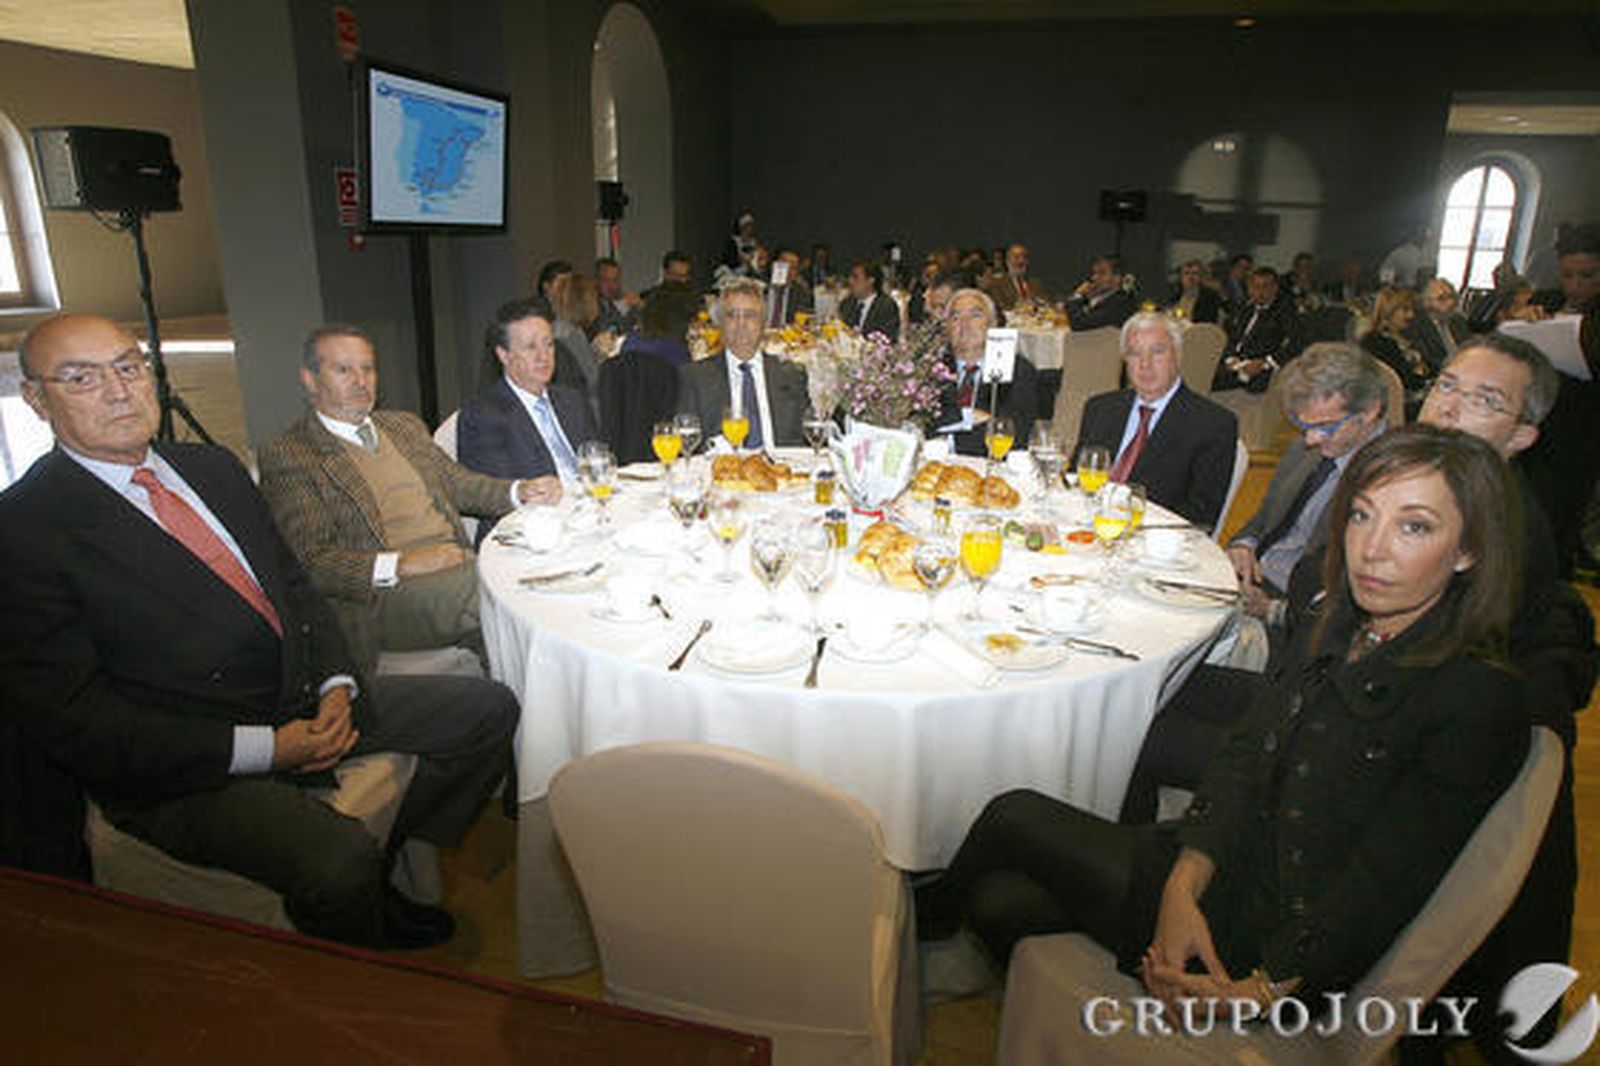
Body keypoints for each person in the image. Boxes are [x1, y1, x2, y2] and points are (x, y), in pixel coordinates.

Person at [918, 425, 1530, 1015]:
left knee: (1013, 814)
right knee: (998, 904)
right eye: (1363, 515)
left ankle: (912, 930)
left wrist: (1260, 991)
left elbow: (1385, 885)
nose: (1372, 549)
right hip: (1226, 862)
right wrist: (1183, 887)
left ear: (1470, 550)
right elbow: (1246, 759)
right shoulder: (1342, 626)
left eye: (1414, 527)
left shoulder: (1475, 697)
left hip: (1270, 936)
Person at [0, 313, 519, 948]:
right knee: (337, 860)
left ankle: (394, 844)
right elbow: (81, 723)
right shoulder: (24, 532)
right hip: (191, 760)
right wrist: (267, 750)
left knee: (488, 711)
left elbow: (295, 589)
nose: (119, 391)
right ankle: (363, 930)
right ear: (35, 399)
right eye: (81, 378)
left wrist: (334, 683)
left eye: (129, 366)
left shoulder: (211, 468)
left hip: (300, 694)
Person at [258, 325, 557, 674]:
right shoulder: (291, 454)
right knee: (504, 587)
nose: (360, 381)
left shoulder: (402, 426)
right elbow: (312, 560)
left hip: (455, 566)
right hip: (384, 597)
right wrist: (401, 563)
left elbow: (458, 483)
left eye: (368, 369)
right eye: (343, 370)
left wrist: (518, 491)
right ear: (310, 379)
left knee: (541, 568)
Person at [1226, 343, 1389, 626]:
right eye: (1303, 426)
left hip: (1301, 619)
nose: (1311, 439)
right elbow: (1264, 519)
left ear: (1370, 411)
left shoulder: (1391, 482)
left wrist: (1273, 611)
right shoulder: (1308, 447)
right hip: (1253, 581)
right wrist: (1244, 544)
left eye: (1326, 426)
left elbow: (1355, 609)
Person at [1071, 312, 1238, 531]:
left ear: (1178, 355)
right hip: (1084, 532)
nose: (1145, 364)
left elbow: (1201, 514)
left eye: (1157, 352)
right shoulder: (1100, 409)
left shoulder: (1213, 424)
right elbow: (1078, 478)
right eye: (1134, 353)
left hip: (1152, 545)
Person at [458, 299, 597, 489]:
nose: (543, 356)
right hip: (539, 513)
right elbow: (496, 495)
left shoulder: (571, 401)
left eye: (548, 344)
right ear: (504, 355)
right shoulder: (484, 416)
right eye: (531, 347)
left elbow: (597, 461)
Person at [676, 278, 809, 450]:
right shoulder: (695, 378)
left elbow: (805, 443)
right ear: (720, 324)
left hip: (779, 472)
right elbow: (687, 445)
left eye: (750, 315)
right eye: (732, 315)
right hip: (722, 472)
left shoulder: (790, 375)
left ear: (763, 323)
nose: (741, 324)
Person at [932, 288, 1038, 457]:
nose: (965, 324)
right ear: (946, 330)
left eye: (975, 315)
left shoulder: (1017, 370)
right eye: (956, 317)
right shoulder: (931, 369)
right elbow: (919, 426)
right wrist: (971, 417)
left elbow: (1016, 436)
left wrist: (951, 429)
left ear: (993, 324)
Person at [1212, 267, 1301, 394]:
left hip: (1259, 365)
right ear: (1249, 288)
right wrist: (1230, 358)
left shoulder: (1285, 311)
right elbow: (1229, 336)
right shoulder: (1244, 308)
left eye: (1265, 287)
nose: (1260, 292)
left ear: (1275, 288)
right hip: (1236, 362)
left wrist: (1265, 362)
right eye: (1255, 286)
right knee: (1201, 373)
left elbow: (1295, 344)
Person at [1361, 286, 1433, 420]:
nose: (1411, 315)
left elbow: (1431, 367)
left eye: (1412, 310)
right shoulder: (1376, 342)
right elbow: (1407, 381)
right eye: (1405, 310)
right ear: (1388, 312)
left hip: (1417, 401)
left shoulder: (1407, 337)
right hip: (1397, 407)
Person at [1406, 277, 1471, 372]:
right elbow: (1429, 360)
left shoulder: (1459, 321)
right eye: (1441, 298)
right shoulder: (1418, 327)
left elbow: (1470, 347)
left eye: (1451, 296)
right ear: (1426, 302)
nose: (1450, 303)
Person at [1065, 254, 1137, 332]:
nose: (1094, 278)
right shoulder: (1103, 297)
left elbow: (1079, 324)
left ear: (1117, 278)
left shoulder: (1122, 302)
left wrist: (1077, 296)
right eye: (1094, 273)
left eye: (1102, 273)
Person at [838, 260, 902, 341]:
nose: (850, 281)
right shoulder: (847, 304)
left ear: (870, 280)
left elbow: (887, 339)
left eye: (855, 277)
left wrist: (859, 339)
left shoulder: (886, 306)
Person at [988, 243, 1046, 311]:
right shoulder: (997, 284)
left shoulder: (1036, 283)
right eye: (1016, 257)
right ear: (1007, 261)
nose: (1021, 261)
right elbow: (1001, 308)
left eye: (1024, 258)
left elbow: (1045, 304)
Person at [765, 246, 814, 326]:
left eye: (793, 267)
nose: (787, 271)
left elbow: (802, 324)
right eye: (783, 264)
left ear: (796, 274)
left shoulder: (801, 293)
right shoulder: (759, 288)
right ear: (773, 265)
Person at [594, 256, 640, 336]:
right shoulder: (591, 305)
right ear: (597, 280)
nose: (611, 286)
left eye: (615, 280)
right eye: (606, 280)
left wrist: (641, 307)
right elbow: (604, 330)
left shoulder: (623, 303)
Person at [1165, 259, 1222, 324]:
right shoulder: (1175, 297)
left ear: (1200, 277)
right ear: (1181, 278)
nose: (1190, 277)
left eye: (1194, 273)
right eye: (1187, 273)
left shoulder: (1209, 297)